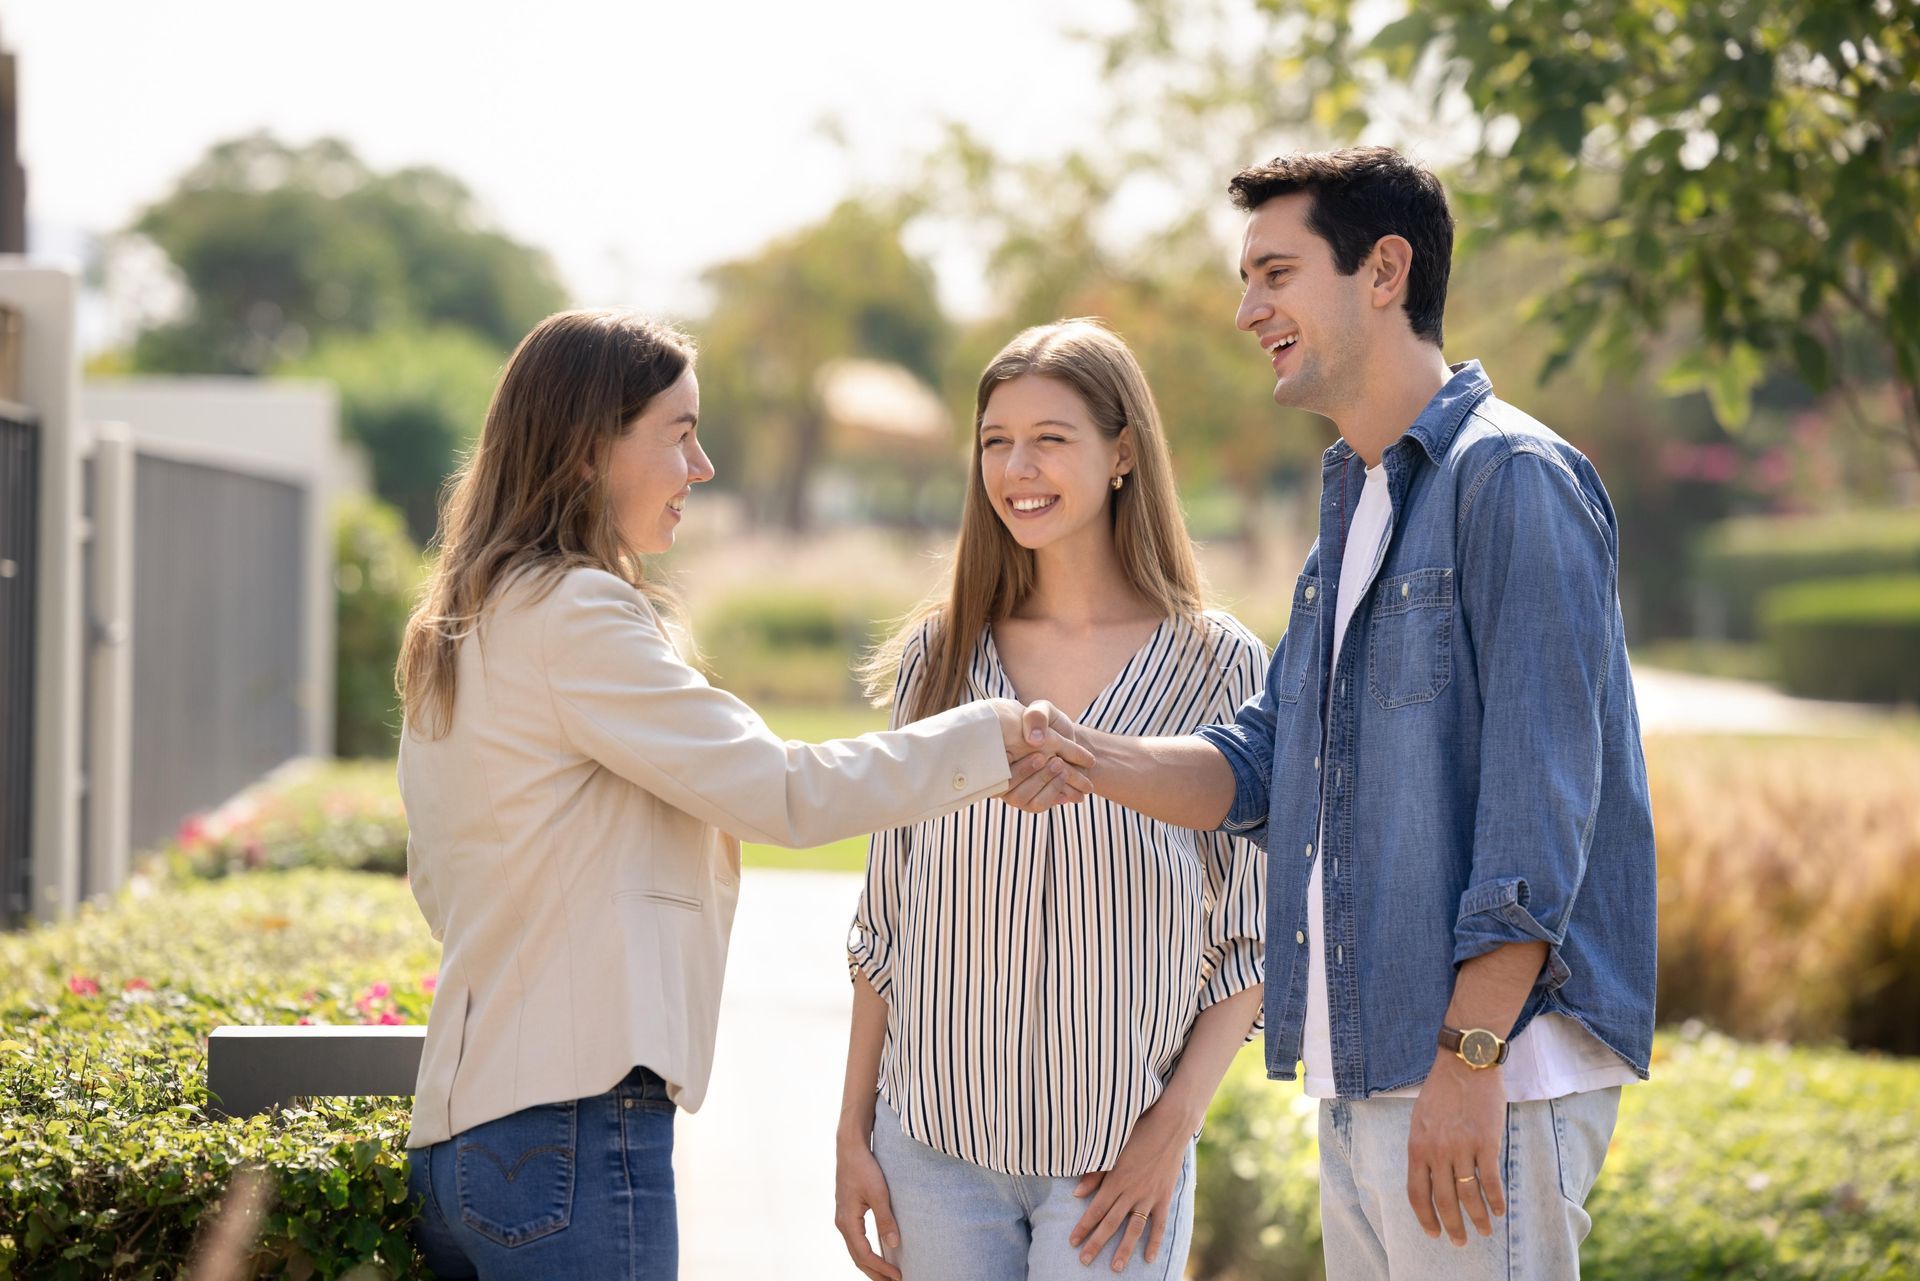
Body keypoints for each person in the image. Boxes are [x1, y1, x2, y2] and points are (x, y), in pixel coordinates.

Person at [1025, 149, 1658, 1279]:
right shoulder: (1355, 508)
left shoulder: (1509, 478)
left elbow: (1540, 801)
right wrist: (1086, 756)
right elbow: (1264, 764)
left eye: (1275, 272)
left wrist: (1470, 1062)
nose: (1246, 309)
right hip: (1369, 1070)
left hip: (1480, 1076)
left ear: (1384, 271)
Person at [393, 308, 1093, 1281]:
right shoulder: (577, 614)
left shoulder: (466, 621)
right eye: (679, 435)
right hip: (567, 1129)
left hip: (464, 1144)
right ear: (591, 451)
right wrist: (992, 733)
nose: (703, 466)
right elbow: (782, 794)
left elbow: (436, 881)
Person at [833, 319, 1268, 1281]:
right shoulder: (939, 656)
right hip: (933, 1145)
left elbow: (1252, 937)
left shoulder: (1217, 663)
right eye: (995, 440)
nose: (1016, 467)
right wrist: (852, 1133)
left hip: (1115, 1161)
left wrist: (1173, 1131)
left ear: (1122, 453)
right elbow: (887, 917)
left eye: (1050, 438)